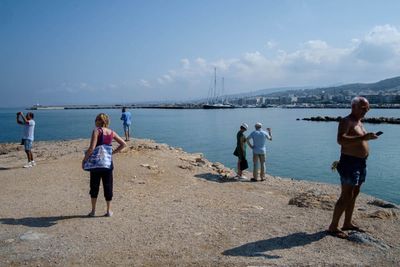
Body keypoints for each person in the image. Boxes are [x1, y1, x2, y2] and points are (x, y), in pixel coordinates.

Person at [328, 96, 379, 239]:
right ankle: (333, 227)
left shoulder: (359, 121)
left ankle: (347, 223)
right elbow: (340, 139)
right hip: (349, 163)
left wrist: (368, 137)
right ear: (354, 107)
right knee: (346, 196)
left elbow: (359, 139)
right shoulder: (346, 121)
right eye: (364, 108)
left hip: (361, 163)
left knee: (355, 193)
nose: (366, 111)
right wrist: (363, 138)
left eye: (368, 108)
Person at [82, 113, 127, 217]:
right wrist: (112, 153)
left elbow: (91, 148)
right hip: (108, 163)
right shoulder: (111, 132)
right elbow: (124, 144)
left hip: (96, 165)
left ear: (99, 121)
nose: (95, 121)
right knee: (108, 186)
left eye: (96, 120)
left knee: (94, 186)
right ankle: (108, 211)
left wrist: (84, 160)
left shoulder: (96, 131)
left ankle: (93, 211)